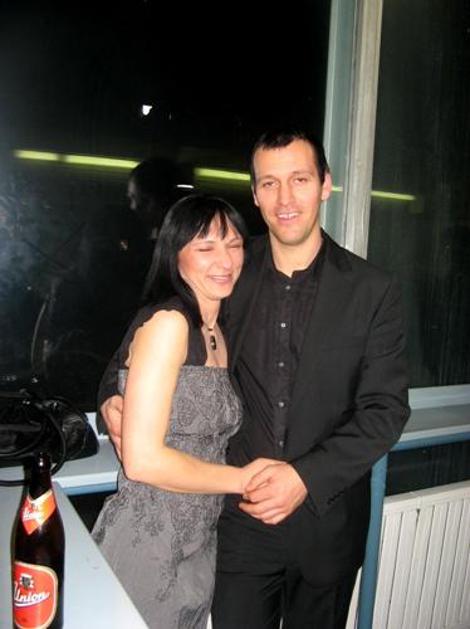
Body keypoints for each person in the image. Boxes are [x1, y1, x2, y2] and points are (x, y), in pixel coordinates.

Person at [99, 130, 410, 628]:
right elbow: (138, 343)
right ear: (256, 193)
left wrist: (304, 477)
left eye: (299, 180)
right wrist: (111, 403)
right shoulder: (228, 270)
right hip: (237, 525)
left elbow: (385, 410)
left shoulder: (373, 290)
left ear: (325, 185)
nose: (285, 198)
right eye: (269, 183)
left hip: (327, 522)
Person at [91, 193, 277, 629]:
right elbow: (142, 461)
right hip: (148, 540)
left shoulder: (217, 329)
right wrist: (243, 479)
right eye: (205, 247)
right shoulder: (169, 324)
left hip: (198, 543)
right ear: (175, 255)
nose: (225, 260)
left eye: (234, 245)